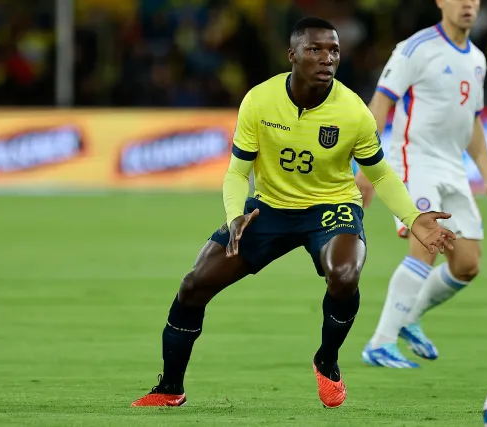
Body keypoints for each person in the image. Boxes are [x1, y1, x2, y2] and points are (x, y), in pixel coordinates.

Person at [131, 17, 456, 408]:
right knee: (193, 285)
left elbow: (381, 174)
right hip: (269, 209)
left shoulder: (354, 112)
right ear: (292, 55)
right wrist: (235, 215)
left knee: (345, 274)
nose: (327, 58)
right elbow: (237, 171)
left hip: (332, 208)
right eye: (315, 49)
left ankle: (327, 360)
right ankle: (170, 388)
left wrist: (413, 217)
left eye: (333, 50)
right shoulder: (259, 100)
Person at [357, 0, 487, 369]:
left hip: (452, 167)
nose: (467, 4)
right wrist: (366, 167)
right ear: (441, 2)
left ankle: (408, 315)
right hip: (414, 160)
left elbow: (472, 123)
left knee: (467, 264)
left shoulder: (477, 59)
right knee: (427, 242)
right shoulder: (415, 48)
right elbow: (379, 105)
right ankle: (380, 342)